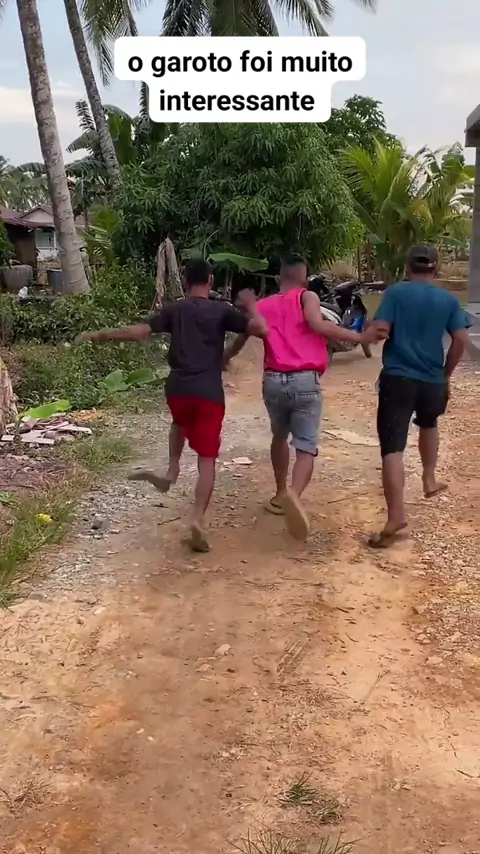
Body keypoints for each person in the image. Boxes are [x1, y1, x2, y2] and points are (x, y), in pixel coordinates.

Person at [78, 259, 268, 553]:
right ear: (210, 280)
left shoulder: (174, 310)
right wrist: (251, 307)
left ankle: (171, 470)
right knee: (207, 459)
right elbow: (260, 329)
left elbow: (139, 332)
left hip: (177, 388)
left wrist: (102, 335)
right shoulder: (221, 311)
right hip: (208, 392)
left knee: (179, 422)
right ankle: (197, 519)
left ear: (186, 280)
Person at [223, 253, 382, 541]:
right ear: (305, 279)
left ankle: (279, 493)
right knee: (306, 445)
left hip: (273, 381)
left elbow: (241, 338)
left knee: (279, 436)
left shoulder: (263, 306)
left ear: (278, 278)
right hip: (305, 381)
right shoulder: (307, 297)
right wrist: (359, 337)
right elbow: (318, 325)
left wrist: (224, 359)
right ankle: (294, 495)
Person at [369, 244, 471, 548]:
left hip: (398, 378)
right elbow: (461, 338)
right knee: (429, 423)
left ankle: (396, 515)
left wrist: (372, 332)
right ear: (436, 268)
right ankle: (429, 478)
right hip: (432, 380)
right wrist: (445, 373)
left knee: (393, 448)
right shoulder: (448, 299)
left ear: (407, 267)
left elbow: (381, 329)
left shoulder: (396, 293)